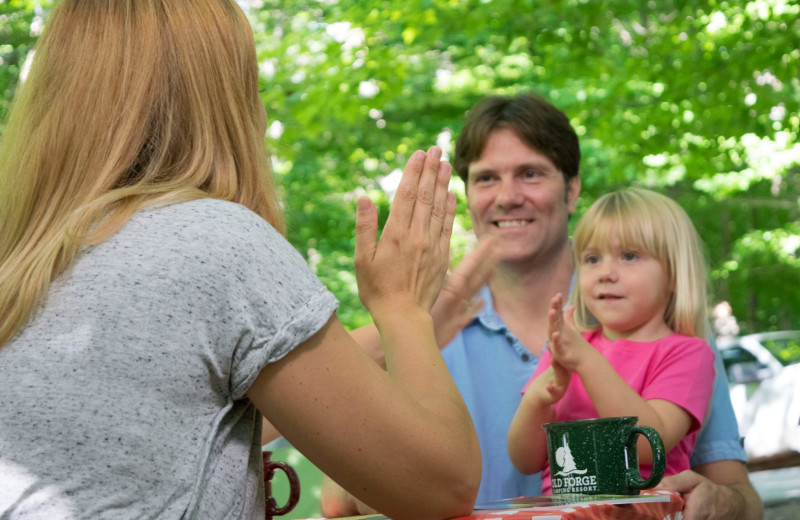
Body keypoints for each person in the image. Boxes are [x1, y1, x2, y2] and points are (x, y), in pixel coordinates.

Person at [0, 2, 481, 519]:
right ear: (222, 98)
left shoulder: (24, 261)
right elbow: (441, 487)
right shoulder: (215, 244)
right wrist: (404, 310)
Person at [322, 93, 763, 520]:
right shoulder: (420, 325)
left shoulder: (660, 321)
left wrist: (718, 504)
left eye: (530, 174)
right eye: (486, 178)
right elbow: (336, 498)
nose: (508, 196)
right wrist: (372, 487)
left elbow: (740, 496)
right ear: (467, 195)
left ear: (572, 191)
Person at [507, 188, 716, 493]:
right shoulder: (571, 346)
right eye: (592, 259)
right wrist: (537, 400)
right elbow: (525, 460)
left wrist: (587, 361)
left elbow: (647, 444)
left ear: (673, 274)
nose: (605, 272)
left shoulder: (688, 353)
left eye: (629, 256)